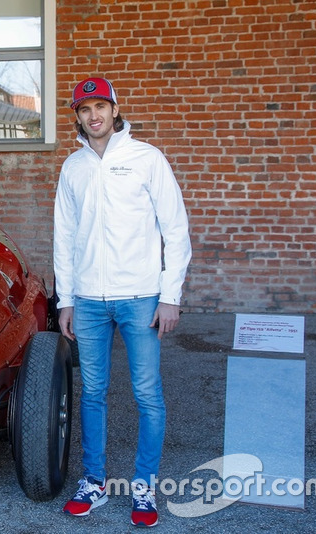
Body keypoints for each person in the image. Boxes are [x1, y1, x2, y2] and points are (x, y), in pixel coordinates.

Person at [53, 78, 192, 527]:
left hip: (140, 298)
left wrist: (170, 297)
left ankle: (144, 488)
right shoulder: (73, 167)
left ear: (115, 110)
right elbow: (65, 237)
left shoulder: (146, 159)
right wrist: (66, 300)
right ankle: (94, 482)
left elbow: (176, 230)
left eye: (101, 106)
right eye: (84, 108)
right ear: (76, 116)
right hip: (89, 301)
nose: (93, 115)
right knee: (92, 394)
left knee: (147, 395)